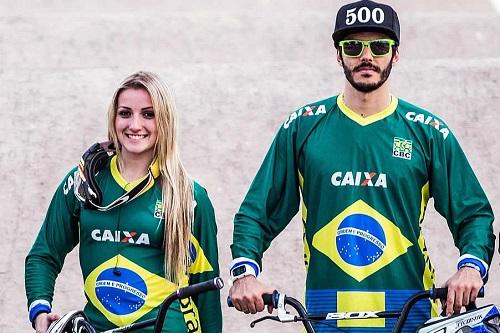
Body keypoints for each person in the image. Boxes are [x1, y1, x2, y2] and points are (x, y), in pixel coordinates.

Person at [228, 1, 495, 332]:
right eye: (353, 46)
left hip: (407, 310)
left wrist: (470, 268)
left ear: (395, 54)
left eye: (379, 46)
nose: (366, 56)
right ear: (339, 55)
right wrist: (245, 273)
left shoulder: (427, 131)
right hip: (325, 314)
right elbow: (257, 212)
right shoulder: (302, 127)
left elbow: (473, 213)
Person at [25, 71, 222, 333]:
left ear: (165, 121)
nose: (135, 125)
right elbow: (44, 254)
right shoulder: (83, 182)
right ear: (114, 118)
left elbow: (208, 287)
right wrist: (40, 310)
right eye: (125, 113)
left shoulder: (190, 196)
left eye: (148, 114)